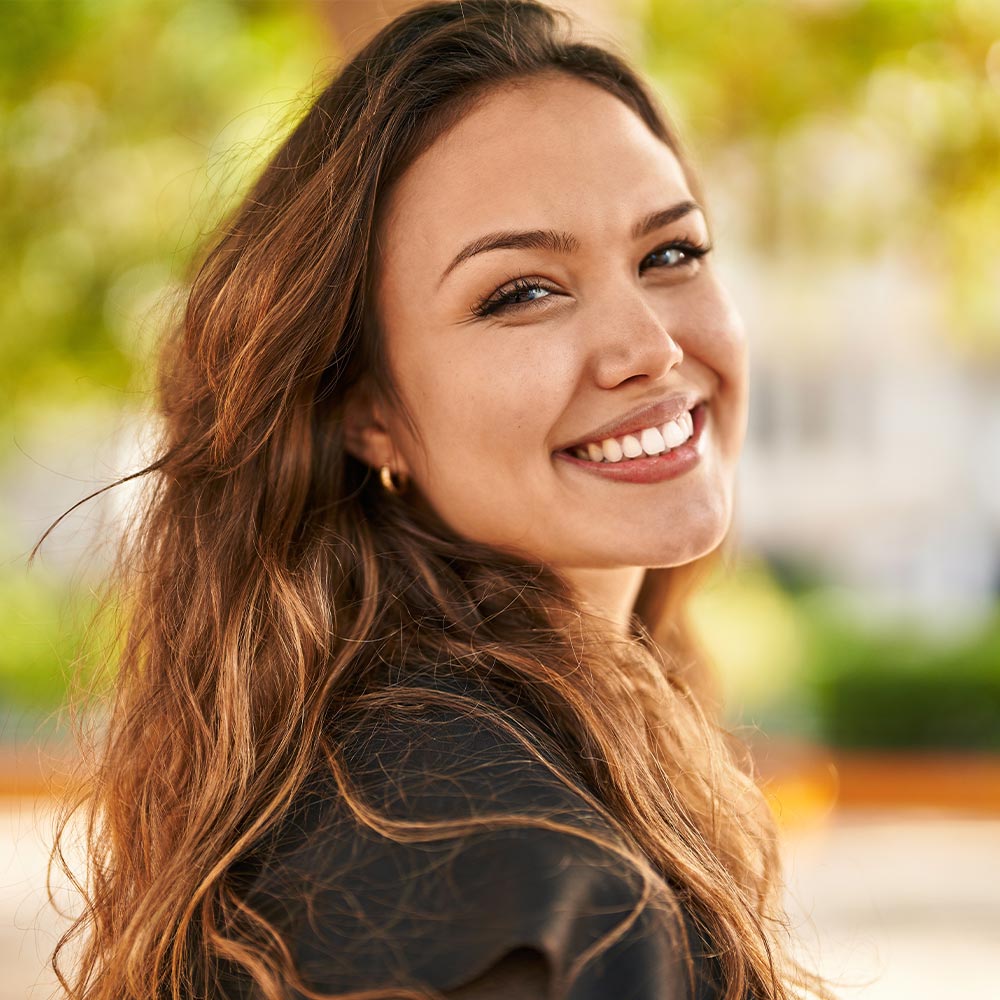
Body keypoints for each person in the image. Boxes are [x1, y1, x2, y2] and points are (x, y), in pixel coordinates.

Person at [46, 1, 833, 998]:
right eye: (522, 292)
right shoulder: (485, 871)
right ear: (366, 407)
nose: (650, 348)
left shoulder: (465, 773)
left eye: (668, 253)